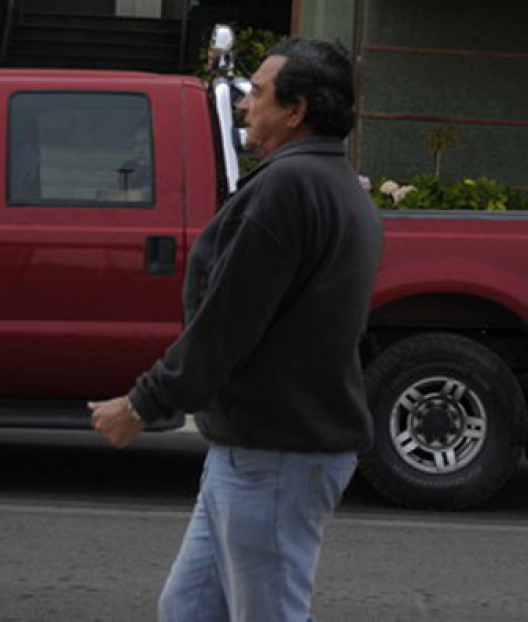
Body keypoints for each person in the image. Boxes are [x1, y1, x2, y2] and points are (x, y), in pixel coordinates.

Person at [89, 39, 383, 622]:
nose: (245, 104)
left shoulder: (289, 187)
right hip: (260, 448)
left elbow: (227, 320)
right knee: (189, 609)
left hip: (277, 455)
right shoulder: (331, 181)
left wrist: (143, 403)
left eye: (258, 93)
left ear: (295, 111)